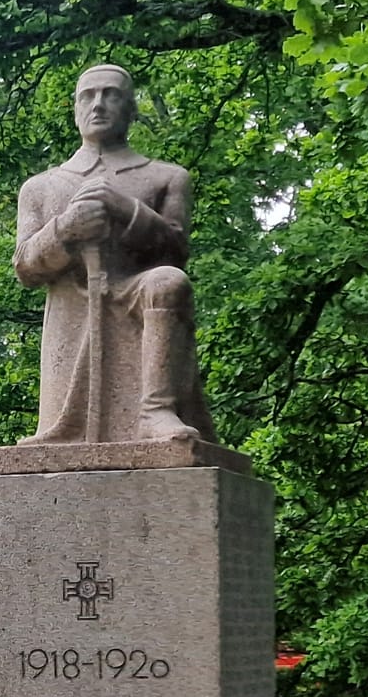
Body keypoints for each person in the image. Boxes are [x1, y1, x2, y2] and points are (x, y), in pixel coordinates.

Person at [13, 64, 218, 445]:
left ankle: (156, 412)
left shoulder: (165, 177)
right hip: (73, 310)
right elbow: (25, 267)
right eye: (87, 96)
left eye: (112, 94)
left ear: (131, 109)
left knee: (169, 282)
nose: (99, 104)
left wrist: (126, 208)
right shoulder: (41, 187)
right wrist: (66, 229)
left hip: (136, 293)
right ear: (75, 110)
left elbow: (175, 249)